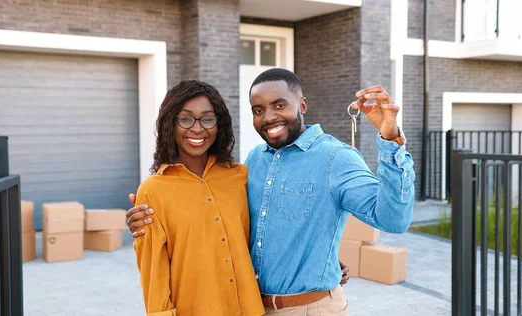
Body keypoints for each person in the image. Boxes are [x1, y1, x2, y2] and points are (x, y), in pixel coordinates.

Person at [128, 68, 416, 315]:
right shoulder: (252, 162)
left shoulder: (335, 158)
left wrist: (390, 139)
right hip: (256, 307)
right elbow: (241, 228)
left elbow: (392, 220)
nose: (269, 117)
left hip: (310, 309)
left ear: (302, 104)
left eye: (280, 105)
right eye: (258, 110)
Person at [132, 80, 265, 316]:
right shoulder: (153, 191)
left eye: (207, 118)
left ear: (218, 125)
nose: (197, 128)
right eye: (185, 119)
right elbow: (154, 273)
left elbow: (271, 232)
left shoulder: (242, 177)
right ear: (169, 124)